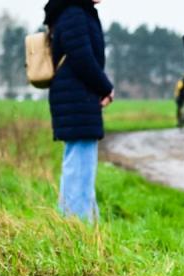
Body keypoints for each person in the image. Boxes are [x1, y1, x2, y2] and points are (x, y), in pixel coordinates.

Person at [44, 0, 115, 222]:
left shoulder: (75, 10)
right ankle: (77, 229)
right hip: (77, 99)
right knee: (79, 168)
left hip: (76, 98)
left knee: (79, 166)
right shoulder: (74, 12)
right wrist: (106, 87)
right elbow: (82, 58)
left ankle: (85, 227)